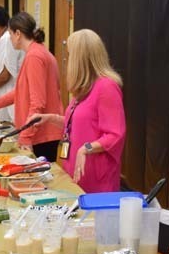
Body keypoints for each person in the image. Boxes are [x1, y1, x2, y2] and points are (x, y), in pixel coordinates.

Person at [25, 29, 125, 192]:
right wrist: (49, 118)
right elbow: (77, 124)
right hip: (75, 170)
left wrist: (86, 148)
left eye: (70, 55)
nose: (67, 59)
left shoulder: (107, 87)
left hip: (96, 177)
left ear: (80, 58)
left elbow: (115, 135)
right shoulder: (84, 88)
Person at [0, 12, 63, 161]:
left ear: (18, 34)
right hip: (40, 132)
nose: (10, 38)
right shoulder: (37, 52)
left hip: (41, 134)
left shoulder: (35, 56)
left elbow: (38, 103)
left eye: (10, 33)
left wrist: (26, 136)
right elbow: (20, 92)